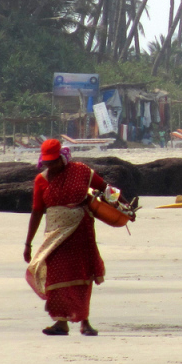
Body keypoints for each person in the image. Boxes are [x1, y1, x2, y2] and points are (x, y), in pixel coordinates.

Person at [24, 139, 108, 336]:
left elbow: (104, 187)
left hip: (80, 230)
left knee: (82, 275)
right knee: (55, 275)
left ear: (63, 158)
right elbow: (37, 212)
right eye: (47, 162)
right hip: (55, 235)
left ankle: (85, 322)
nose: (51, 166)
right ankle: (61, 322)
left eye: (55, 161)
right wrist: (28, 244)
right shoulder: (41, 180)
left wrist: (123, 206)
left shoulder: (81, 171)